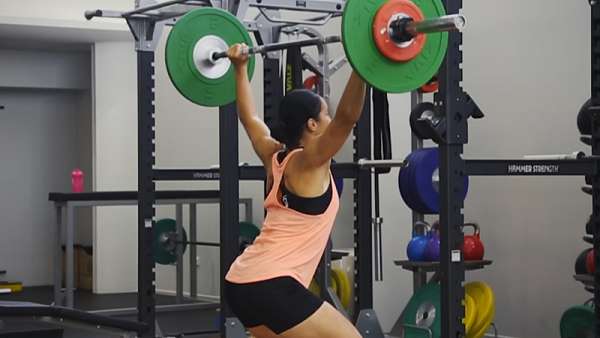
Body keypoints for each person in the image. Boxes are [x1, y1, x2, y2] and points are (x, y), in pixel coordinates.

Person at [223, 43, 366, 338]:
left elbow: (249, 119)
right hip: (272, 284)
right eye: (325, 114)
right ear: (313, 124)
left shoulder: (274, 156)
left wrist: (239, 68)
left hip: (241, 282)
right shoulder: (310, 162)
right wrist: (365, 65)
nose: (330, 118)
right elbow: (348, 118)